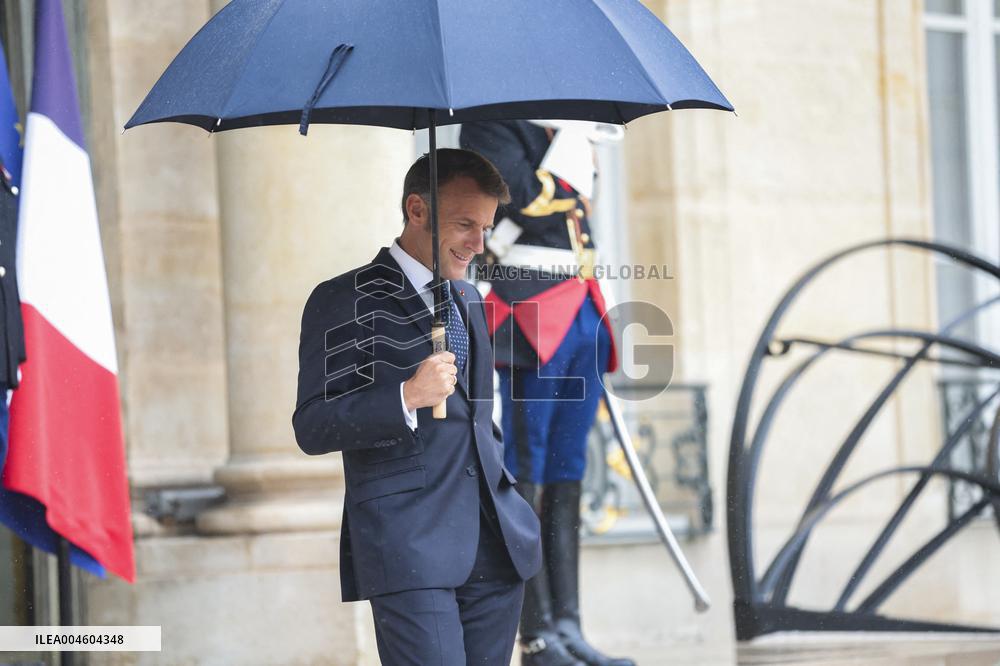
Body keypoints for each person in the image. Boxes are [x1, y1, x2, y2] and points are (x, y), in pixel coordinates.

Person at [293, 148, 542, 666]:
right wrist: (405, 397)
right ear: (416, 210)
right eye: (464, 224)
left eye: (487, 227)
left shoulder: (470, 299)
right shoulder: (345, 298)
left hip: (495, 545)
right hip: (409, 543)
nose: (478, 244)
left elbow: (478, 420)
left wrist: (511, 500)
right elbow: (313, 425)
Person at [460, 120, 633, 666]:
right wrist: (567, 150)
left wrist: (573, 141)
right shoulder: (497, 126)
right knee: (527, 471)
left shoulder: (572, 131)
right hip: (529, 306)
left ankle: (567, 624)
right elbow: (524, 194)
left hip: (580, 306)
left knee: (567, 471)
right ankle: (534, 635)